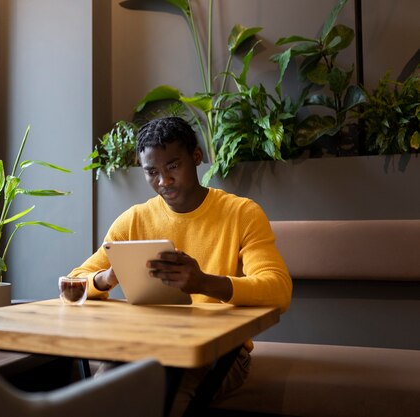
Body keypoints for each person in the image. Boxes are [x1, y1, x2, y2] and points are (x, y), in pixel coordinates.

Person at [69, 116, 292, 416]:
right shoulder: (134, 220)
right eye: (152, 172)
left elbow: (279, 290)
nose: (163, 181)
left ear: (196, 157)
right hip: (145, 344)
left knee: (163, 397)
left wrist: (204, 283)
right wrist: (106, 278)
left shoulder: (242, 213)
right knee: (102, 392)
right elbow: (75, 282)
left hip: (221, 353)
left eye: (173, 166)